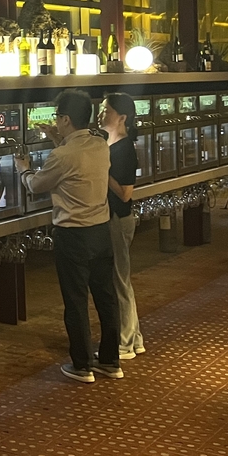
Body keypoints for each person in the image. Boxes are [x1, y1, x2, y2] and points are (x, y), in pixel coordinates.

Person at [16, 89, 122, 384]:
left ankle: (82, 365)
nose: (55, 122)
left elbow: (36, 185)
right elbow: (75, 158)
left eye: (57, 117)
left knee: (75, 302)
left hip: (73, 236)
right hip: (101, 232)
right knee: (106, 299)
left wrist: (23, 169)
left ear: (65, 119)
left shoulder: (62, 155)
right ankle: (110, 361)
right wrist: (57, 138)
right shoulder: (100, 144)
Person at [102, 93, 145, 360]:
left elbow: (126, 194)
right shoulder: (109, 143)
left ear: (122, 117)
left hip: (119, 218)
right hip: (111, 217)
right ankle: (135, 338)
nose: (101, 114)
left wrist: (102, 171)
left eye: (106, 110)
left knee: (119, 280)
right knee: (119, 279)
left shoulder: (125, 149)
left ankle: (125, 343)